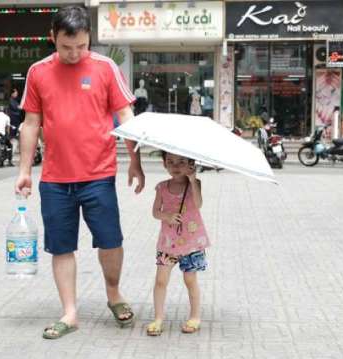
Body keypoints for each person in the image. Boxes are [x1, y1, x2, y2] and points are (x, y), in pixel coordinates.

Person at [15, 5, 145, 339]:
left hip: (98, 174)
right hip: (56, 180)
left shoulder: (106, 67)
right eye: (66, 47)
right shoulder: (38, 72)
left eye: (81, 46)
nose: (74, 54)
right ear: (52, 38)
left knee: (111, 241)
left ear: (90, 38)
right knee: (61, 247)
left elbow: (125, 116)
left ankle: (114, 294)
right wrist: (25, 170)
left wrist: (135, 160)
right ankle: (70, 313)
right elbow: (30, 124)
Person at [146, 151, 210, 337]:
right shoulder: (162, 187)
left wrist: (193, 180)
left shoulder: (195, 185)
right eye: (170, 162)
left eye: (181, 162)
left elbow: (198, 204)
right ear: (164, 164)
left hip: (192, 243)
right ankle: (158, 317)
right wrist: (167, 216)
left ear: (191, 164)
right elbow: (155, 212)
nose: (175, 166)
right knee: (161, 280)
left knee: (190, 280)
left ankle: (195, 316)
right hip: (168, 244)